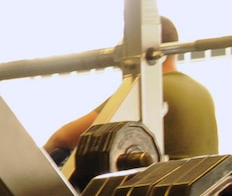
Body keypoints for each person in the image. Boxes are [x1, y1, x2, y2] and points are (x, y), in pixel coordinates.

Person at [47, 15, 220, 159]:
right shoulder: (201, 90)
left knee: (61, 158)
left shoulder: (150, 90)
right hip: (199, 193)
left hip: (163, 194)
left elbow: (64, 137)